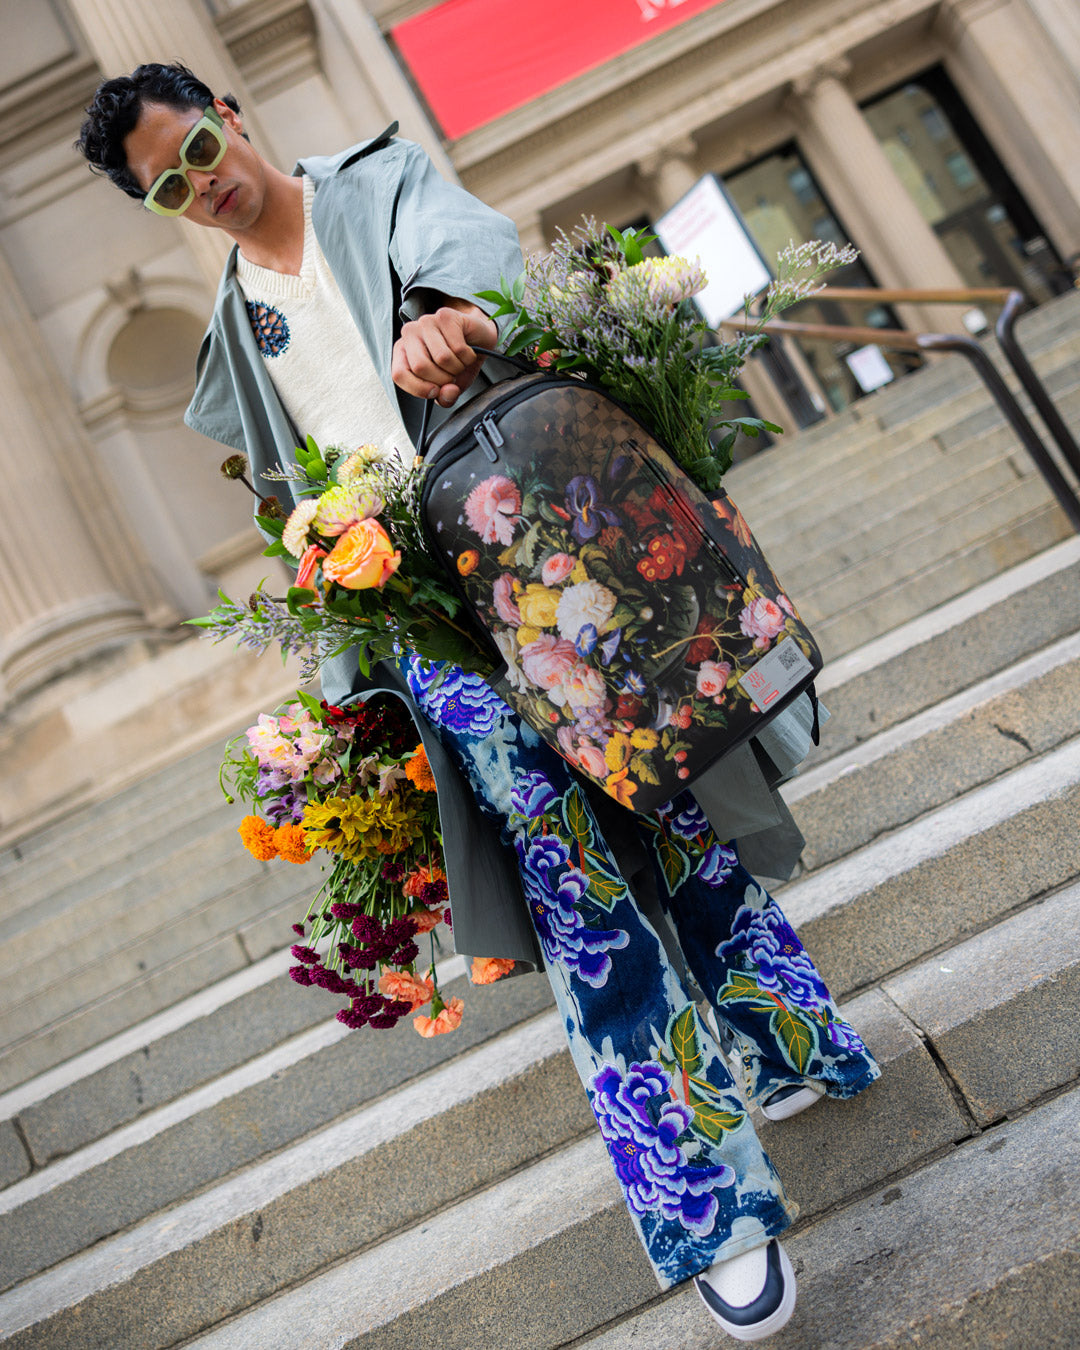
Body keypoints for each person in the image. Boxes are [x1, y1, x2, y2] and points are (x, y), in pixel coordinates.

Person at [76, 63, 880, 1342]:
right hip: (425, 635)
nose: (204, 183)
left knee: (671, 821)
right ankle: (708, 1209)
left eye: (200, 147)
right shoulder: (235, 341)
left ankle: (790, 1041)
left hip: (536, 552)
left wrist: (448, 314)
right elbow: (292, 517)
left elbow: (467, 252)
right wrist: (349, 713)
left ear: (232, 113)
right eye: (169, 185)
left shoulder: (378, 184)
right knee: (580, 901)